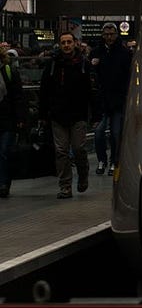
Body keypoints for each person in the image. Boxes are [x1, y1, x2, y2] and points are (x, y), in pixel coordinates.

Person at [39, 32, 93, 199]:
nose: (67, 45)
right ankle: (65, 186)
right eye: (63, 42)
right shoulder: (53, 65)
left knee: (78, 149)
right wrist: (43, 114)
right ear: (60, 45)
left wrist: (94, 113)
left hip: (78, 115)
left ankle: (83, 175)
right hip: (58, 115)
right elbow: (44, 90)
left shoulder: (83, 64)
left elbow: (91, 91)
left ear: (75, 43)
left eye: (69, 42)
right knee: (61, 152)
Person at [91, 22, 132, 176]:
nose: (109, 37)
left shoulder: (123, 53)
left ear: (116, 35)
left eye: (111, 34)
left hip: (117, 100)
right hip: (103, 101)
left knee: (116, 133)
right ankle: (103, 160)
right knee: (99, 133)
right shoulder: (97, 52)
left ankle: (114, 161)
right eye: (106, 34)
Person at [0, 48, 25, 198]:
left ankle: (4, 183)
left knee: (4, 151)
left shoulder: (9, 71)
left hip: (6, 118)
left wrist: (20, 119)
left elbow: (18, 96)